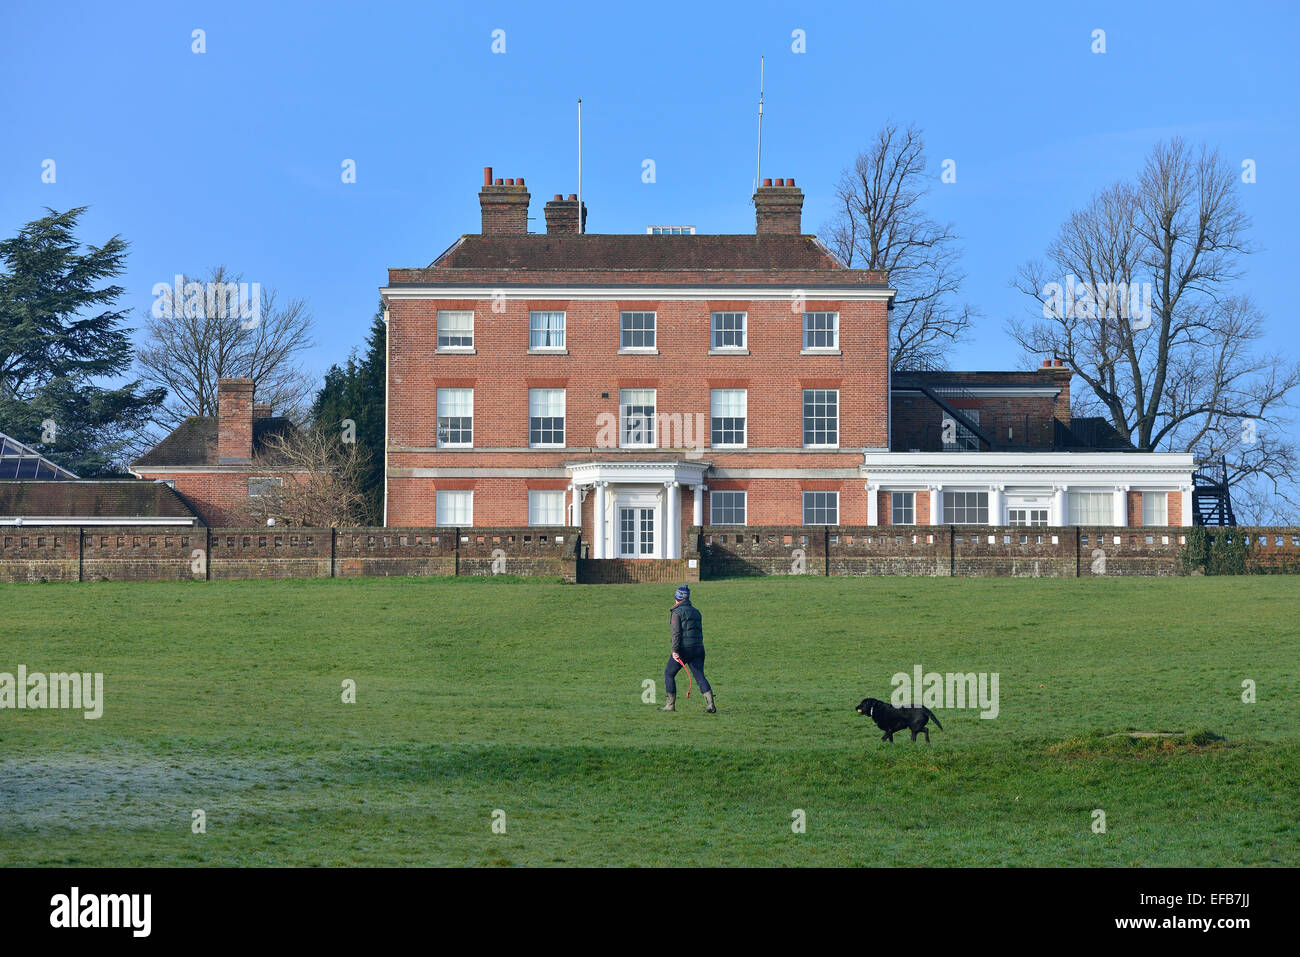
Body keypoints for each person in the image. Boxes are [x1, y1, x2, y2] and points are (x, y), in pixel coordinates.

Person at [659, 585, 716, 713]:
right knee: (700, 676)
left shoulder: (676, 612)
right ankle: (710, 705)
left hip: (684, 649)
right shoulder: (696, 611)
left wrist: (674, 651)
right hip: (698, 648)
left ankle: (670, 705)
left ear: (678, 598)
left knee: (669, 673)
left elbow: (676, 633)